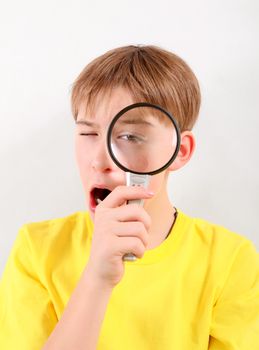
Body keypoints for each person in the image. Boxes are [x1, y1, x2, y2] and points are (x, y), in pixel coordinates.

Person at [0, 45, 259, 350]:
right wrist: (97, 279)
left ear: (180, 151)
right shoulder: (38, 249)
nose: (99, 160)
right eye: (88, 134)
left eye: (129, 137)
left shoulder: (230, 261)